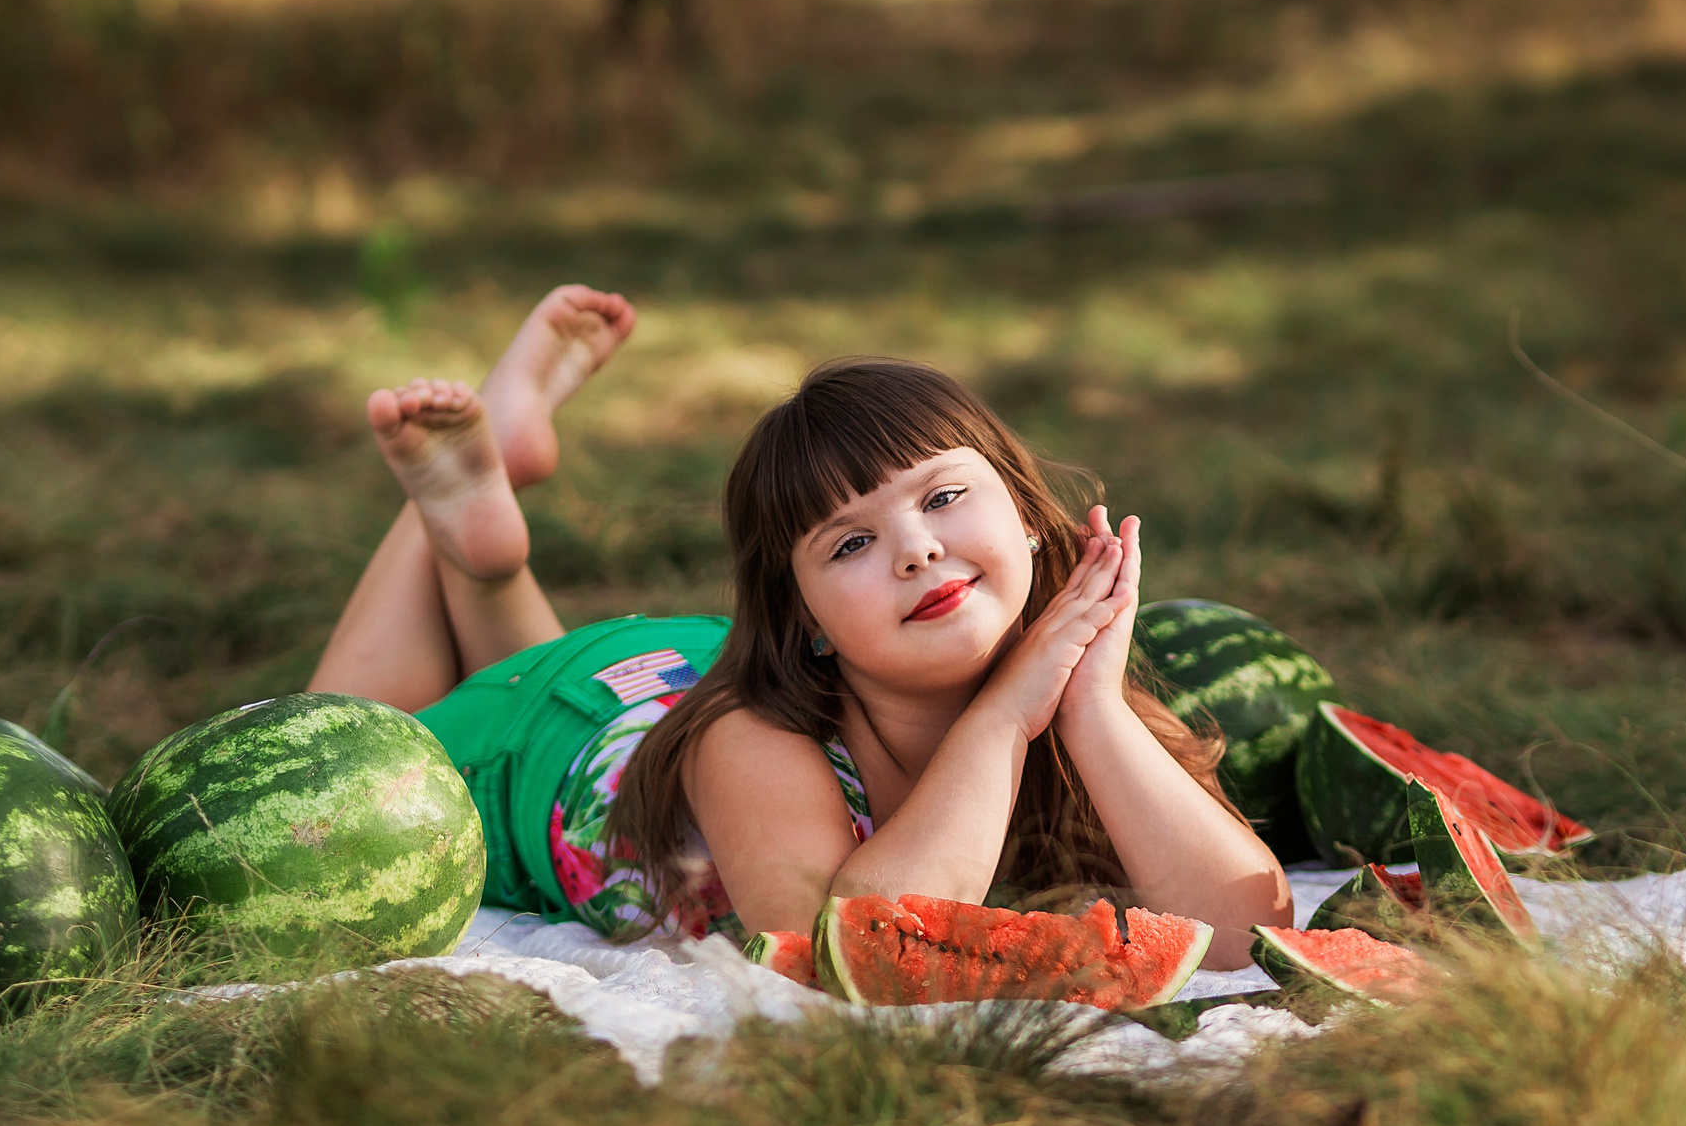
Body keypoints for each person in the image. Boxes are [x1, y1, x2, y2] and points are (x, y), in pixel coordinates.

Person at [310, 285, 1294, 967]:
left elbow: (1252, 930)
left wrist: (1090, 710)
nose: (915, 549)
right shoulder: (750, 743)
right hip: (546, 746)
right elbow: (845, 947)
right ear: (806, 618)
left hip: (679, 670)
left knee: (517, 671)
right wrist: (1003, 717)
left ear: (1034, 520)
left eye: (943, 496)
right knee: (333, 752)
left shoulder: (1073, 695)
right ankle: (447, 514)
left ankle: (486, 552)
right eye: (851, 544)